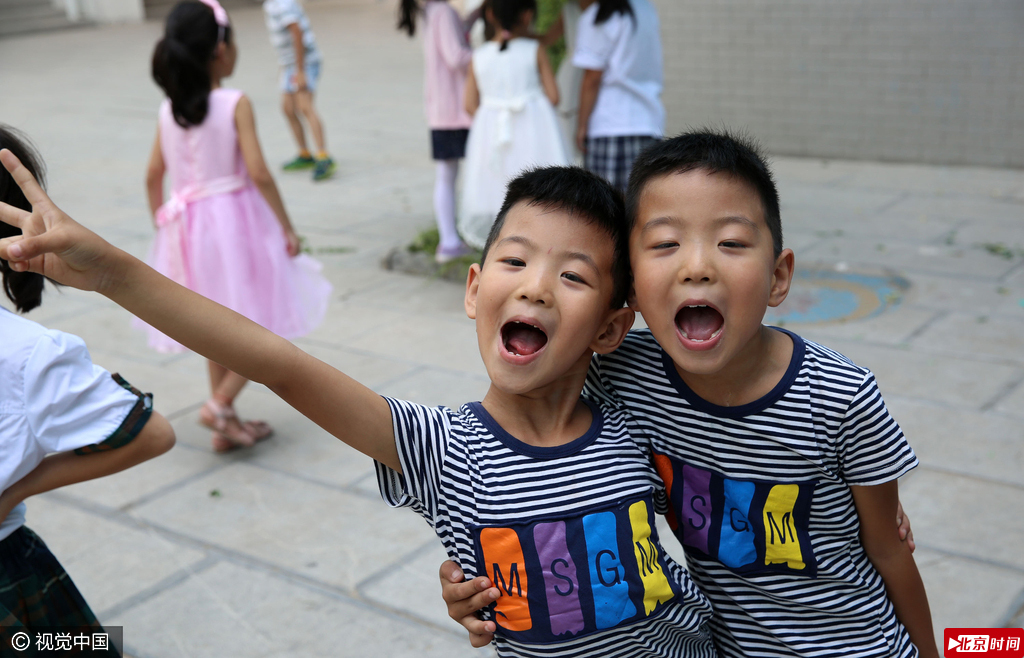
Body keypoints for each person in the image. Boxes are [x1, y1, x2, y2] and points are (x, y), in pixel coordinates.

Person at [0, 158, 720, 657]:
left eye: (571, 275)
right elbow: (277, 364)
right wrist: (113, 273)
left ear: (609, 327)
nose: (534, 287)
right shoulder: (440, 449)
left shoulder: (636, 415)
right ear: (473, 289)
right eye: (514, 261)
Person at [439, 131, 939, 658]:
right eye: (665, 244)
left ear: (778, 275)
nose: (697, 265)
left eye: (731, 243)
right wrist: (473, 579)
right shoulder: (622, 372)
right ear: (630, 289)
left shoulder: (840, 396)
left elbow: (889, 549)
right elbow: (524, 441)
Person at [0, 126, 175, 653]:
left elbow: (151, 434)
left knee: (82, 646)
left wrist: (16, 489)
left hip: (12, 587)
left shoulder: (26, 353)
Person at [146, 0, 332, 453]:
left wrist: (163, 225)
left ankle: (223, 424)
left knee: (214, 324)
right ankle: (220, 404)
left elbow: (153, 175)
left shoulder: (169, 109)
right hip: (235, 225)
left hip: (189, 229)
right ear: (220, 52)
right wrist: (287, 228)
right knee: (259, 322)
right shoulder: (234, 102)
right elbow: (260, 172)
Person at [458, 0, 569, 250]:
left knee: (495, 186)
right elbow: (553, 96)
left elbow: (469, 104)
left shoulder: (479, 56)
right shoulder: (534, 49)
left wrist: (492, 115)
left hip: (493, 134)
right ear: (528, 15)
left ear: (489, 15)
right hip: (533, 131)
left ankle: (503, 245)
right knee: (537, 185)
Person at [397, 0, 475, 264]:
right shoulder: (442, 12)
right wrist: (487, 56)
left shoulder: (431, 11)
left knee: (447, 174)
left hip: (442, 108)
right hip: (455, 109)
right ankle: (450, 240)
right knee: (449, 174)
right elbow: (456, 57)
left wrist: (471, 19)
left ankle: (450, 238)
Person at [574, 0, 663, 192]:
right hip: (648, 122)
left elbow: (592, 78)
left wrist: (581, 125)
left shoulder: (598, 15)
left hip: (609, 125)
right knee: (642, 208)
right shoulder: (646, 9)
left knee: (606, 210)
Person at [263, 0, 336, 181]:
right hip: (290, 65)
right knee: (288, 108)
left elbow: (297, 31)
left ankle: (323, 156)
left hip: (303, 63)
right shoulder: (271, 4)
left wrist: (300, 70)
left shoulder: (283, 4)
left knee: (305, 107)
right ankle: (305, 154)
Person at [538, 0, 584, 163]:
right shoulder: (570, 9)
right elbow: (547, 38)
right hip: (573, 71)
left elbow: (547, 39)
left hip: (577, 70)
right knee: (567, 121)